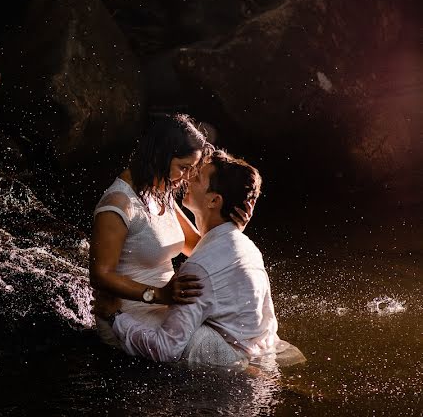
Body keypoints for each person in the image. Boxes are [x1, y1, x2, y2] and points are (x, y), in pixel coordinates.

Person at [109, 149, 304, 368]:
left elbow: (165, 349)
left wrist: (115, 318)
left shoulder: (198, 269)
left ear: (214, 200)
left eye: (198, 177)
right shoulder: (247, 247)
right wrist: (235, 228)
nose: (188, 177)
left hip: (230, 372)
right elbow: (207, 247)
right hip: (263, 352)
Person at [89, 113, 251, 350]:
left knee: (237, 339)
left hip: (168, 303)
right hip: (128, 312)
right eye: (183, 168)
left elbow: (196, 245)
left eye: (192, 169)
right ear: (160, 156)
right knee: (222, 353)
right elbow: (100, 275)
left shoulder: (160, 192)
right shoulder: (117, 204)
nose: (186, 178)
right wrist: (157, 295)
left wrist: (232, 228)